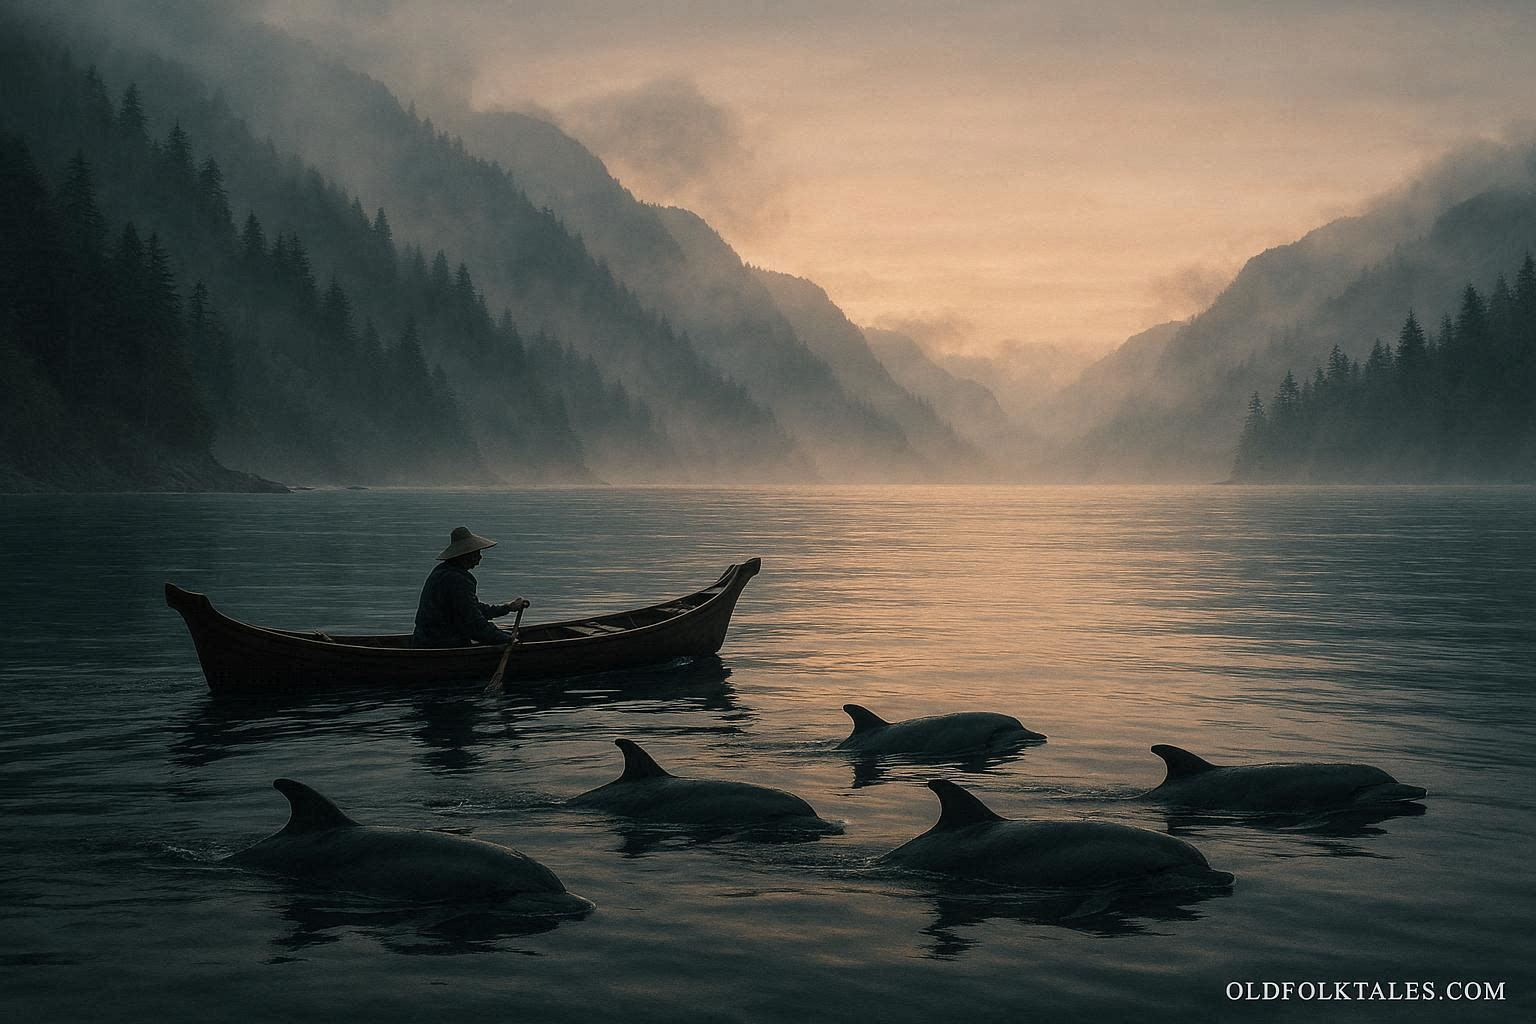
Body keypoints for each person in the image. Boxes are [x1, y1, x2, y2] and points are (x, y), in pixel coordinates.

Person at [410, 526, 529, 648]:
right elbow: (473, 623)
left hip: (424, 640)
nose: (480, 557)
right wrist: (507, 639)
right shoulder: (458, 580)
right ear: (466, 555)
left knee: (504, 635)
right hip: (441, 643)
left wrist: (507, 608)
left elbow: (472, 608)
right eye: (477, 553)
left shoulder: (442, 571)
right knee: (505, 637)